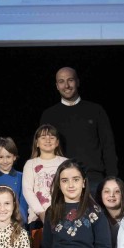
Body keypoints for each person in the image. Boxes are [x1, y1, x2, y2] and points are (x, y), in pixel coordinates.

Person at [39, 66, 118, 194]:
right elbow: (43, 151)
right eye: (61, 81)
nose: (66, 85)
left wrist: (112, 179)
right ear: (57, 86)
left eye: (70, 80)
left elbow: (108, 146)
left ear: (77, 82)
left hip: (94, 180)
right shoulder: (49, 115)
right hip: (63, 180)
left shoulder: (96, 110)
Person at [22, 124, 67, 248]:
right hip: (38, 219)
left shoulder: (65, 162)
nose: (47, 140)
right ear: (37, 142)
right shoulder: (30, 164)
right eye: (43, 137)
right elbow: (27, 190)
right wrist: (42, 213)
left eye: (52, 137)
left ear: (57, 142)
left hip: (63, 217)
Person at [0, 137, 28, 226]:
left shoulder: (21, 176)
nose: (5, 161)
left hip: (17, 223)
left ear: (14, 157)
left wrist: (21, 220)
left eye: (8, 157)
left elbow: (23, 201)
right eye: (1, 157)